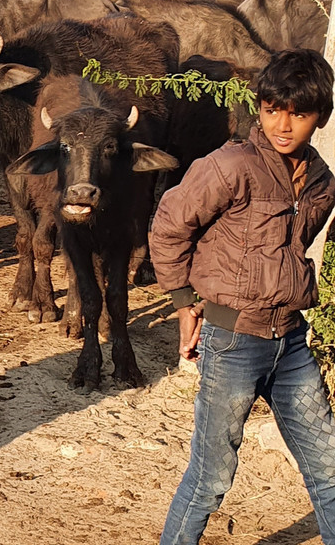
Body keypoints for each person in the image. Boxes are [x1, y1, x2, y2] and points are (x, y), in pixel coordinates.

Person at [151, 48, 335, 545]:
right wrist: (184, 301)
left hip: (292, 342)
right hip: (233, 341)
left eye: (299, 113)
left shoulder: (321, 180)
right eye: (273, 108)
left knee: (330, 468)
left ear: (320, 117)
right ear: (260, 106)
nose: (283, 124)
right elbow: (169, 226)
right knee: (211, 478)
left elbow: (292, 249)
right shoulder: (228, 165)